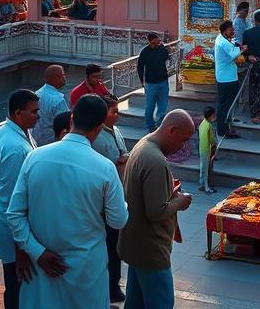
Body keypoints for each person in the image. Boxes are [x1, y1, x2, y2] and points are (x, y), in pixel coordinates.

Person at [8, 94, 128, 309]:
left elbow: (14, 214)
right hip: (85, 271)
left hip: (41, 266)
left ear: (71, 119)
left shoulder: (35, 158)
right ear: (100, 127)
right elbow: (118, 220)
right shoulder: (104, 168)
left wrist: (36, 251)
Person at [119, 110, 196, 309]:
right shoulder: (156, 161)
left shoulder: (143, 144)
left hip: (136, 244)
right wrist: (180, 201)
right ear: (171, 130)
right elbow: (156, 211)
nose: (183, 146)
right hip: (151, 249)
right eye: (184, 139)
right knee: (160, 302)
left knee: (135, 302)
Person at [0, 89, 39, 309]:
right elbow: (14, 202)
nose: (38, 116)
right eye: (34, 112)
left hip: (12, 220)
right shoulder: (15, 149)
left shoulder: (13, 131)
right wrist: (20, 247)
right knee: (17, 282)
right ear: (18, 113)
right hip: (14, 228)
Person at [90, 95, 130, 303]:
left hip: (117, 195)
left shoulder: (116, 132)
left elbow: (123, 154)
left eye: (117, 111)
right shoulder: (96, 139)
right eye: (112, 111)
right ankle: (108, 286)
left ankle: (114, 283)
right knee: (108, 248)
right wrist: (118, 164)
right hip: (102, 201)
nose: (116, 115)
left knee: (116, 248)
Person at [214, 20, 243, 139]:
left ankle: (223, 126)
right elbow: (234, 54)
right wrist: (243, 49)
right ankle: (223, 129)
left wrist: (238, 46)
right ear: (225, 30)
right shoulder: (224, 43)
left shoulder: (221, 39)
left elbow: (232, 46)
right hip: (227, 79)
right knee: (226, 105)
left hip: (223, 77)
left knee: (223, 104)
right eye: (231, 29)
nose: (233, 31)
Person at [137, 33, 171, 133]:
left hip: (163, 82)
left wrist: (163, 48)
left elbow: (167, 57)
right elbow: (140, 67)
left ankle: (160, 125)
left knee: (163, 106)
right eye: (154, 43)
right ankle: (150, 127)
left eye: (158, 42)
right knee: (149, 107)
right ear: (149, 42)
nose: (156, 44)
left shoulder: (162, 49)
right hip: (150, 84)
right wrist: (141, 82)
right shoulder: (145, 52)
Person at [31, 65, 69, 146]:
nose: (64, 78)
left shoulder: (37, 93)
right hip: (52, 141)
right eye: (62, 75)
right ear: (54, 79)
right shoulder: (58, 99)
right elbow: (66, 123)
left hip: (36, 140)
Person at [199, 106, 217, 194]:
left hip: (201, 149)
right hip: (207, 150)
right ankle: (206, 187)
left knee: (202, 167)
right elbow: (212, 139)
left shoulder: (202, 123)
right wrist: (214, 146)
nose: (214, 117)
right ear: (210, 116)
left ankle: (201, 184)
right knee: (206, 170)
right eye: (213, 116)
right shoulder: (209, 126)